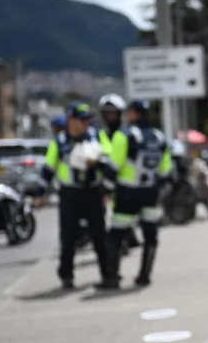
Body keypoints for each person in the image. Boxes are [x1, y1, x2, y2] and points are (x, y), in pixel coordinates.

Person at [42, 103, 112, 290]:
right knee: (68, 237)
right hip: (70, 193)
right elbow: (48, 168)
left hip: (93, 191)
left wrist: (97, 161)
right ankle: (66, 275)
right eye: (82, 119)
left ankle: (108, 273)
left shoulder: (97, 135)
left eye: (88, 119)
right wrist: (40, 194)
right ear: (71, 120)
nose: (86, 123)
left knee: (99, 235)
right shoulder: (59, 141)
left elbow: (110, 156)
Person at [105, 99, 172, 287]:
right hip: (150, 193)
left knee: (116, 235)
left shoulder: (124, 135)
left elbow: (113, 165)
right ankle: (145, 276)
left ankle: (112, 277)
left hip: (127, 193)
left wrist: (107, 188)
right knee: (150, 236)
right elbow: (166, 170)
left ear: (134, 113)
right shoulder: (159, 137)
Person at [98, 93, 141, 253]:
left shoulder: (129, 135)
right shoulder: (98, 136)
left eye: (113, 113)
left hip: (125, 183)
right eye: (107, 113)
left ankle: (126, 239)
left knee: (123, 216)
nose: (110, 117)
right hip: (104, 184)